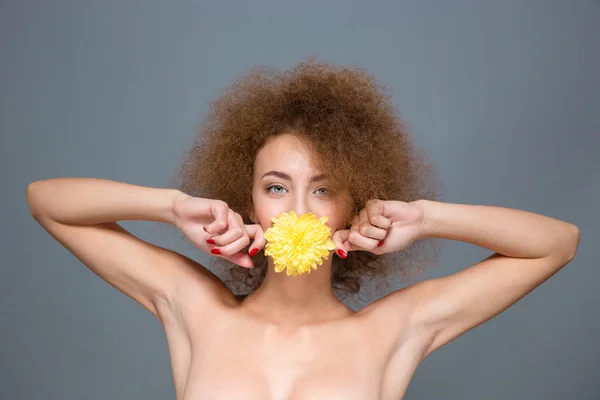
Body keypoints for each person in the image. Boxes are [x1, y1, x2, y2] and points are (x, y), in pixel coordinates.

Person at [26, 59, 580, 400]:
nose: (298, 210)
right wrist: (173, 207)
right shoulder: (193, 307)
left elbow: (557, 244)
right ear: (249, 202)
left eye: (323, 189)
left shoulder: (390, 331)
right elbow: (46, 201)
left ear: (350, 205)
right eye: (275, 187)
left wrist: (425, 217)